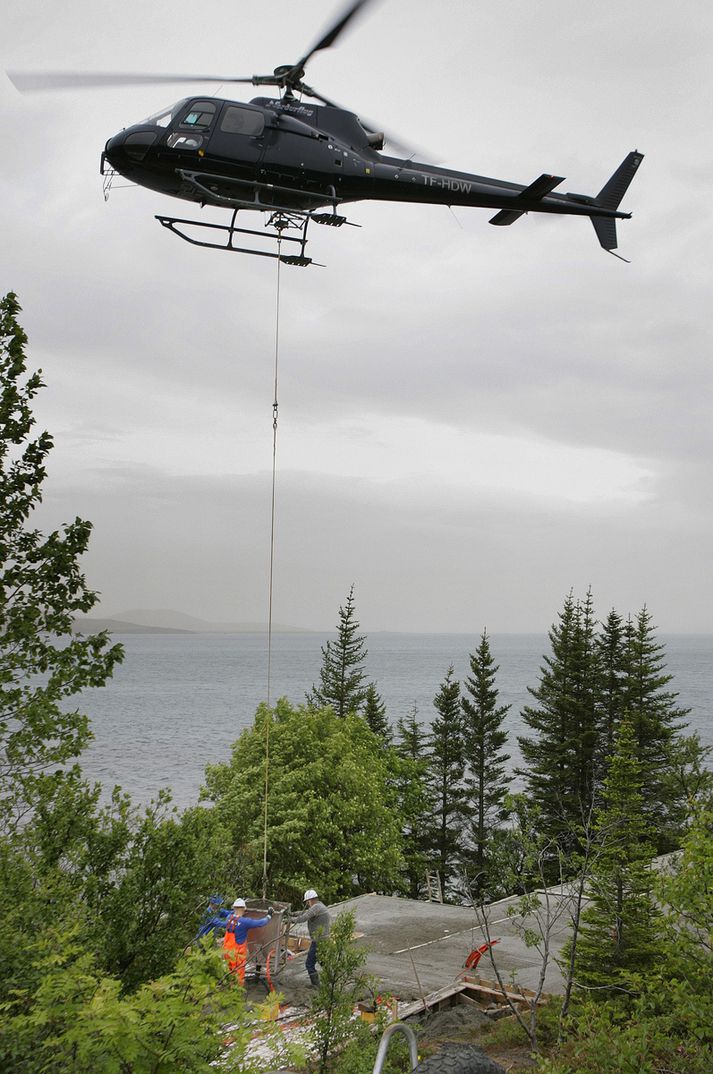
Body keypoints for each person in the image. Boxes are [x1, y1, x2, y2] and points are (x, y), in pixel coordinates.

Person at [222, 898, 272, 984]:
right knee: (238, 976)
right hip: (237, 955)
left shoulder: (228, 918)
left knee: (229, 973)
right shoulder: (245, 922)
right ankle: (236, 993)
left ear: (234, 908)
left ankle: (228, 992)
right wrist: (269, 916)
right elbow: (260, 923)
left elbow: (235, 918)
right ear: (244, 909)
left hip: (227, 952)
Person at [290, 888, 330, 987]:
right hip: (323, 940)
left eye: (307, 902)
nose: (307, 904)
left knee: (309, 964)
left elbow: (303, 917)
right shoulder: (320, 906)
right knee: (323, 962)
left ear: (309, 900)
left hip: (318, 941)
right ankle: (331, 980)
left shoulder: (316, 908)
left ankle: (316, 986)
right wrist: (293, 913)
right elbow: (305, 912)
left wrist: (289, 920)